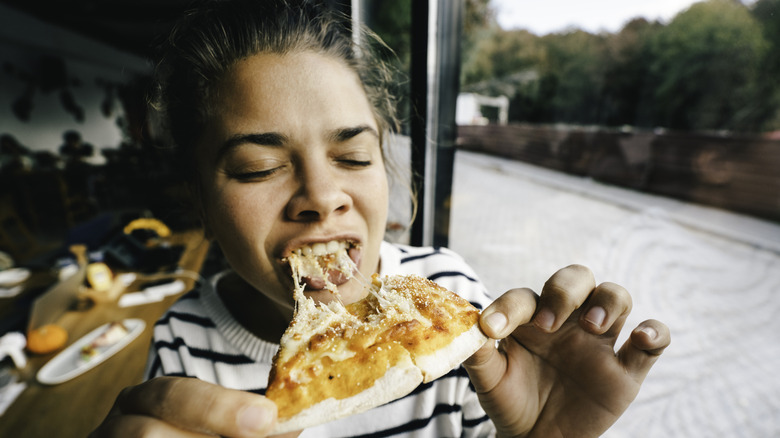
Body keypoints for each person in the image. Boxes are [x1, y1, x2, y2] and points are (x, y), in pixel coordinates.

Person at [90, 1, 670, 437]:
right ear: (201, 205)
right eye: (258, 166)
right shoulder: (180, 347)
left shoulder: (452, 301)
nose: (321, 195)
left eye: (352, 157)